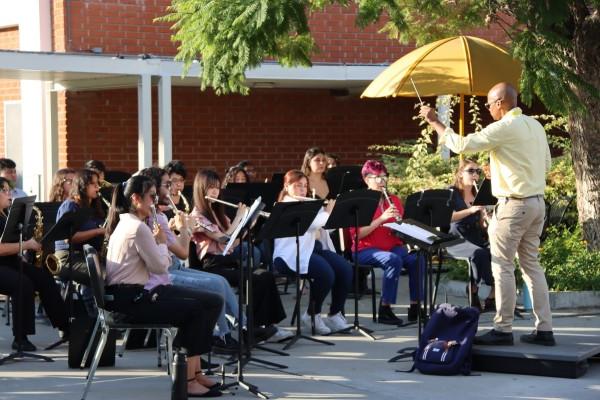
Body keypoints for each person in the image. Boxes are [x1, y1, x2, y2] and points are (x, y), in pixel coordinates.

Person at [420, 82, 555, 346]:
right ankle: (545, 329)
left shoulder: (504, 126)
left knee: (502, 266)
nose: (487, 108)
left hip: (514, 206)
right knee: (531, 267)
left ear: (501, 103)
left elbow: (462, 145)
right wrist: (504, 170)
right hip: (537, 202)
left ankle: (503, 329)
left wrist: (435, 121)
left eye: (489, 104)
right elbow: (546, 164)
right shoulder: (535, 125)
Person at [104, 175, 223, 397]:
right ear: (136, 198)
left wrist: (161, 242)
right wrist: (161, 242)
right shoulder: (137, 228)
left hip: (133, 296)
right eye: (151, 197)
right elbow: (161, 267)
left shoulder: (130, 222)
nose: (155, 201)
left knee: (212, 300)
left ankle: (195, 371)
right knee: (195, 310)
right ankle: (186, 379)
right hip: (130, 303)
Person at [138, 166, 244, 353]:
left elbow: (176, 250)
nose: (172, 189)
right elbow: (182, 253)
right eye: (167, 184)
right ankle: (222, 335)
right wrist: (185, 229)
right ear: (152, 188)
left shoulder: (160, 216)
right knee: (216, 287)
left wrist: (176, 229)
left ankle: (242, 326)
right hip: (160, 277)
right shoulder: (148, 219)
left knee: (221, 281)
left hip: (174, 266)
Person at [190, 169, 290, 342]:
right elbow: (223, 239)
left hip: (228, 262)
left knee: (265, 276)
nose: (215, 192)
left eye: (217, 188)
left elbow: (234, 242)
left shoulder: (217, 213)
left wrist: (249, 223)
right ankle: (252, 329)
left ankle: (263, 326)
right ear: (200, 190)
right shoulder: (196, 217)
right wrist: (238, 218)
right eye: (210, 188)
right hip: (212, 267)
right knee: (256, 280)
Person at [273, 170, 352, 335]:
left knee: (344, 268)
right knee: (326, 274)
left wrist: (332, 214)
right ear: (287, 187)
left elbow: (326, 228)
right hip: (290, 254)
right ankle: (311, 314)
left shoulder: (308, 203)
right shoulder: (285, 205)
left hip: (312, 249)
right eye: (297, 186)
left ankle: (335, 314)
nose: (302, 189)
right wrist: (329, 212)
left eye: (304, 186)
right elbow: (314, 224)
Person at [349, 160, 425, 325]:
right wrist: (382, 219)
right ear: (366, 179)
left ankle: (415, 307)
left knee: (418, 259)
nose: (382, 181)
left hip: (392, 247)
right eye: (377, 177)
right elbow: (358, 235)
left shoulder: (394, 200)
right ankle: (385, 309)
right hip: (364, 250)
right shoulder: (360, 203)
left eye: (384, 176)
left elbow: (400, 227)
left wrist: (402, 227)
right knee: (393, 260)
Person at [0, 177, 69, 351]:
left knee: (43, 276)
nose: (9, 194)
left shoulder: (7, 214)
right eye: (4, 191)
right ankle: (20, 338)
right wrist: (26, 245)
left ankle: (66, 327)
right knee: (23, 284)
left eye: (9, 190)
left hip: (9, 262)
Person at [447, 159, 495, 312]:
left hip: (475, 236)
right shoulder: (451, 193)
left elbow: (481, 225)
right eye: (471, 171)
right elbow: (447, 217)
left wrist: (486, 218)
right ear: (460, 173)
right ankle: (473, 290)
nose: (475, 175)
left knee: (501, 251)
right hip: (456, 239)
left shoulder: (478, 193)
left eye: (478, 172)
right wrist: (471, 210)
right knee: (479, 253)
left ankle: (492, 297)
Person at [54, 169, 106, 285]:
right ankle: (92, 303)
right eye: (93, 184)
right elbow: (69, 238)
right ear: (82, 185)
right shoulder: (70, 205)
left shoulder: (92, 205)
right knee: (102, 275)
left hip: (87, 255)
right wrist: (98, 231)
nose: (98, 188)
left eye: (98, 184)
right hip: (67, 258)